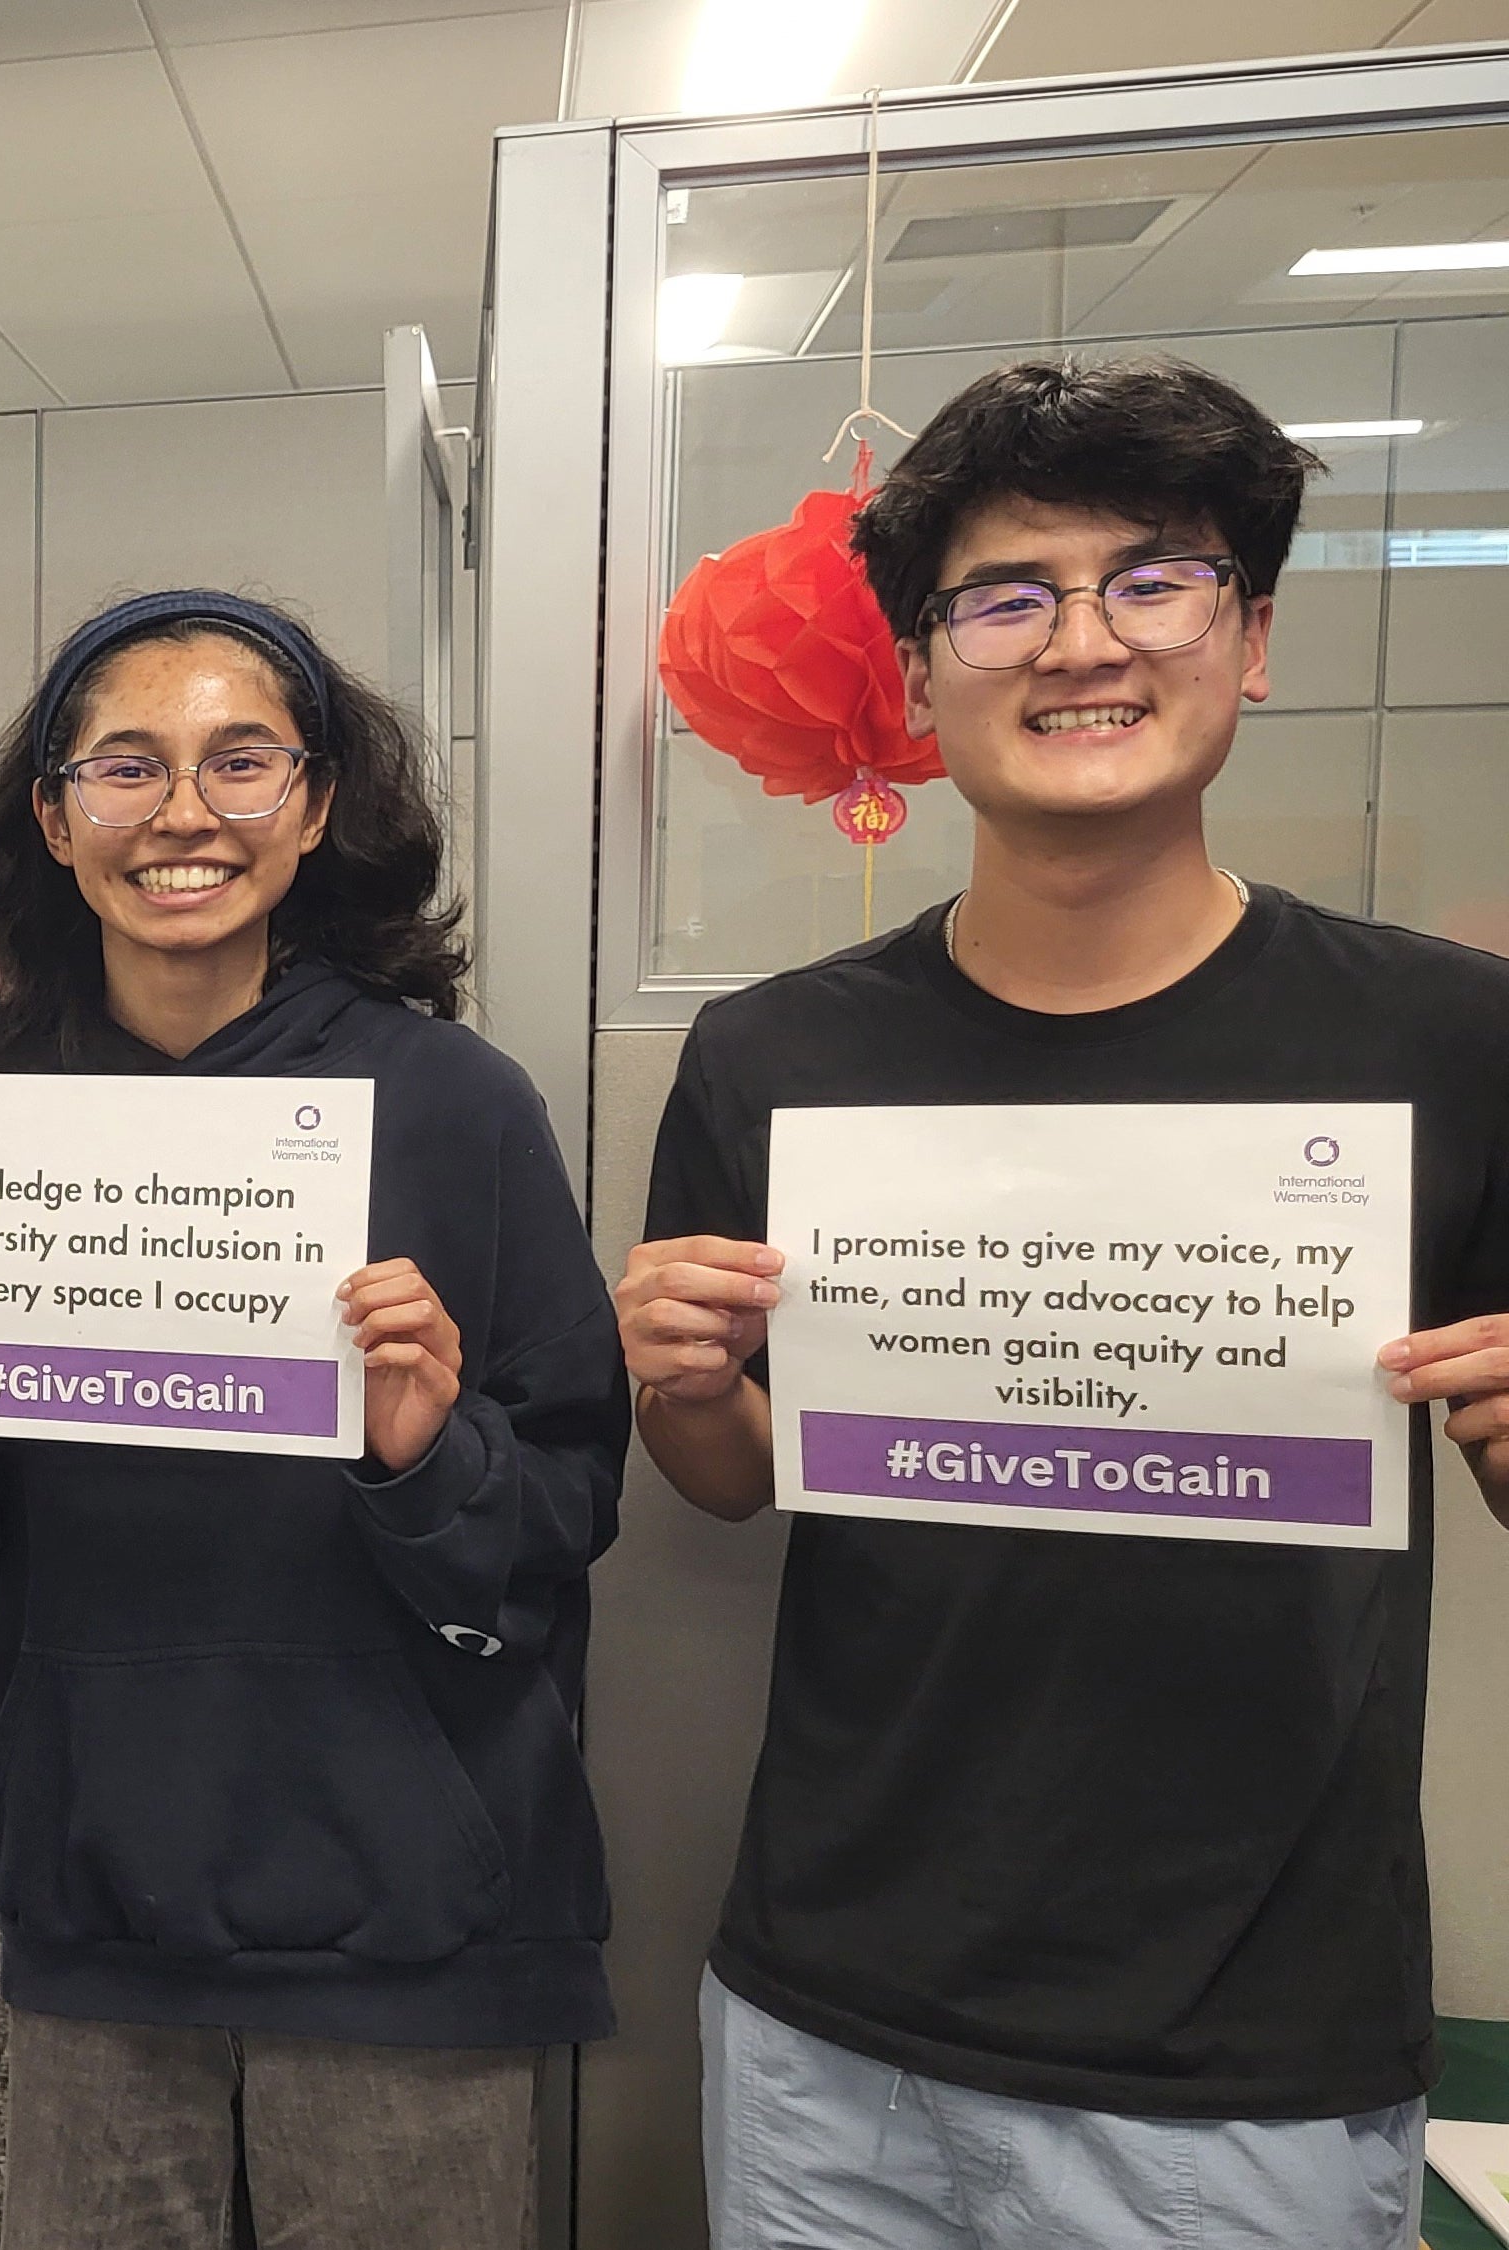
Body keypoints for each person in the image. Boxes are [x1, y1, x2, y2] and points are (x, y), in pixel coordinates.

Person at [617, 356, 1509, 2250]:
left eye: (1154, 580)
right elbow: (739, 1477)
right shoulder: (773, 1052)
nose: (1081, 642)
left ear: (1249, 637)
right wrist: (684, 1388)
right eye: (1005, 596)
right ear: (923, 677)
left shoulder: (1452, 1036)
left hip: (1245, 2049)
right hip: (826, 2014)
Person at [0, 589, 626, 2247]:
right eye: (128, 765)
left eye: (240, 762)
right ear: (54, 814)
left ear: (316, 805)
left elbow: (566, 1506)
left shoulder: (456, 1105)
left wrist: (422, 1449)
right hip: (103, 1890)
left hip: (412, 1904)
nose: (185, 812)